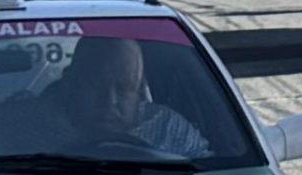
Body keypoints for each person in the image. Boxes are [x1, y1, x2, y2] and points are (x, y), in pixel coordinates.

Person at [54, 36, 211, 161]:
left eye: (124, 89)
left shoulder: (168, 128)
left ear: (140, 93)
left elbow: (209, 167)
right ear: (73, 84)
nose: (110, 101)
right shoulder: (38, 125)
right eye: (96, 85)